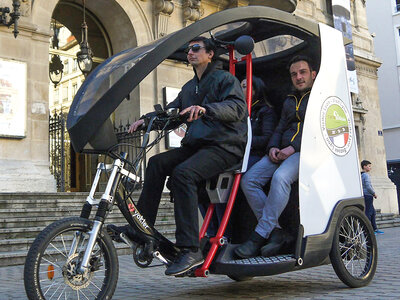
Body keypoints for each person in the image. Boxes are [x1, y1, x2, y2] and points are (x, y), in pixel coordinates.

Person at [111, 36, 248, 276]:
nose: (190, 52)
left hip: (224, 147)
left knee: (183, 174)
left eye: (196, 48)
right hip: (198, 147)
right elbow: (170, 113)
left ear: (210, 54)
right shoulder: (188, 88)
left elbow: (238, 108)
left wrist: (208, 109)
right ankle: (140, 229)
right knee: (156, 162)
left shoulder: (225, 79)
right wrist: (146, 121)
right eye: (188, 49)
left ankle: (190, 249)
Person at [234, 55, 317, 259]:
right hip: (281, 150)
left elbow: (315, 128)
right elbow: (280, 127)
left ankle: (259, 234)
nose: (298, 77)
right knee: (249, 180)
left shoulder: (320, 97)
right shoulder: (289, 100)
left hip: (308, 152)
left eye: (303, 72)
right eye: (294, 74)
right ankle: (276, 231)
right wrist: (272, 147)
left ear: (313, 75)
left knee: (281, 178)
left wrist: (292, 148)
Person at [198, 75, 277, 238]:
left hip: (254, 155)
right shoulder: (235, 110)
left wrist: (241, 140)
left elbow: (266, 139)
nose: (241, 89)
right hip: (235, 154)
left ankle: (225, 233)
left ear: (256, 90)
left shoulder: (265, 111)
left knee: (221, 183)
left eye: (245, 86)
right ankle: (212, 231)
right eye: (240, 86)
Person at [361, 160, 384, 235]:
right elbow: (368, 186)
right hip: (368, 195)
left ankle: (375, 228)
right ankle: (370, 230)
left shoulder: (362, 175)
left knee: (373, 212)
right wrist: (373, 193)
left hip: (366, 195)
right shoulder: (366, 175)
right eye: (369, 166)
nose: (370, 168)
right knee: (369, 213)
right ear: (364, 166)